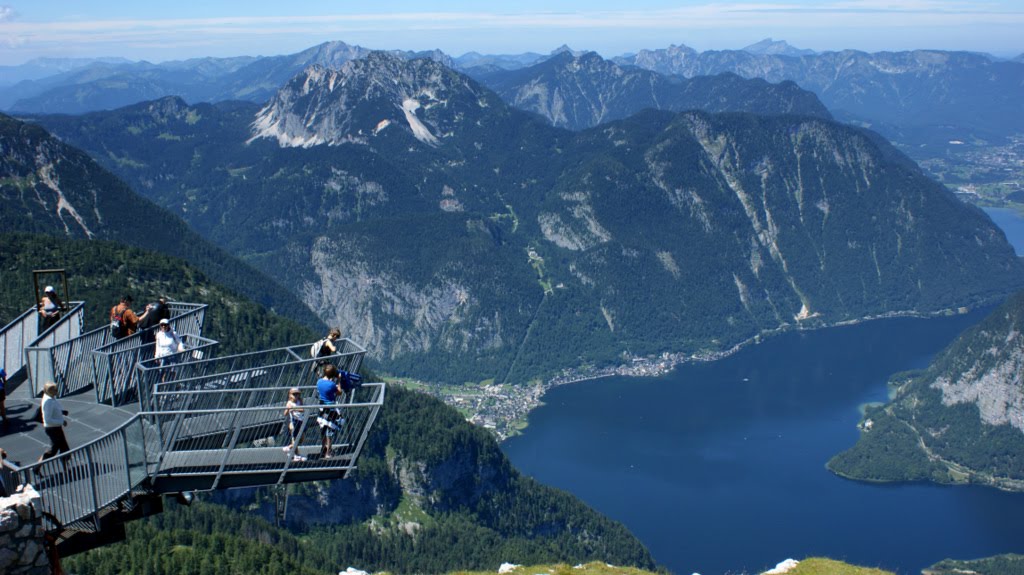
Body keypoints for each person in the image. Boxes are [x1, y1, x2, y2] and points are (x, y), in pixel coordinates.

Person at [316, 365, 346, 459]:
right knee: (329, 432)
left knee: (323, 430)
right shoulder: (331, 385)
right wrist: (339, 381)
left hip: (321, 408)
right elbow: (339, 392)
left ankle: (323, 449)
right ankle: (328, 452)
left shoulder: (319, 382)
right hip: (330, 410)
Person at [38, 382, 70, 462]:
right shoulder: (48, 402)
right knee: (54, 450)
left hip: (55, 428)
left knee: (63, 448)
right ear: (50, 391)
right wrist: (61, 422)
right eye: (55, 390)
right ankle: (37, 467)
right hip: (53, 429)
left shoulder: (50, 398)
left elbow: (53, 410)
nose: (57, 391)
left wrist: (61, 412)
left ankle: (65, 465)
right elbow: (47, 419)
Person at [282, 388, 307, 462]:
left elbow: (302, 409)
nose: (296, 396)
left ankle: (288, 448)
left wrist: (294, 408)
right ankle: (297, 455)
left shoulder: (300, 401)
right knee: (295, 439)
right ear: (290, 395)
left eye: (297, 394)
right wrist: (289, 409)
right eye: (294, 394)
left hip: (300, 420)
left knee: (301, 439)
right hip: (293, 421)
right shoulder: (289, 403)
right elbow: (285, 413)